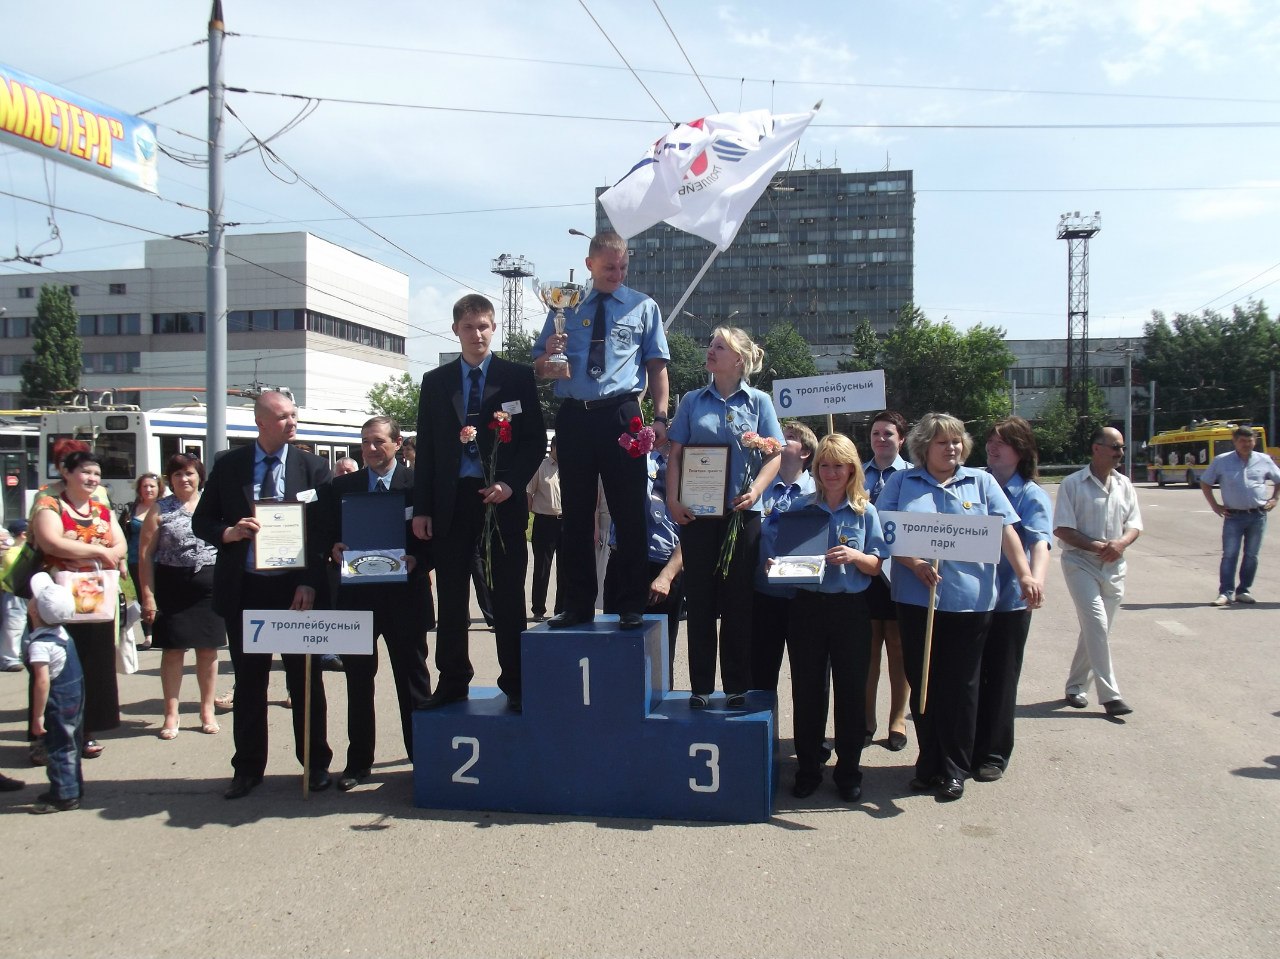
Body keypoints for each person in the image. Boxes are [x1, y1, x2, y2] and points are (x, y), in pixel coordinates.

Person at [877, 412, 1042, 801]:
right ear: (924, 447)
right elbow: (885, 534)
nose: (951, 448)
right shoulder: (902, 482)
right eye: (942, 442)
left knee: (962, 688)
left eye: (955, 441)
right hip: (917, 600)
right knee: (925, 685)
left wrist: (1025, 574)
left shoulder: (981, 482)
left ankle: (955, 767)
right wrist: (914, 563)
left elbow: (1006, 531)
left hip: (971, 602)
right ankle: (928, 761)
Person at [192, 390, 335, 799]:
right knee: (250, 683)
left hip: (296, 593)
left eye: (294, 415)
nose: (293, 422)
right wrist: (229, 532)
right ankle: (249, 767)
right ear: (261, 422)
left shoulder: (312, 468)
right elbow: (203, 520)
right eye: (284, 416)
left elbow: (322, 531)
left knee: (305, 682)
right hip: (247, 590)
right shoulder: (230, 465)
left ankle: (315, 765)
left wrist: (309, 580)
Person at [532, 231, 670, 630]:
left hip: (622, 413)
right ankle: (576, 603)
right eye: (610, 266)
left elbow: (657, 367)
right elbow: (540, 366)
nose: (617, 273)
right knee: (575, 512)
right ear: (590, 264)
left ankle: (629, 603)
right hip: (575, 414)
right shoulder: (565, 305)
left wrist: (659, 418)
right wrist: (549, 355)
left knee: (629, 510)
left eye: (623, 266)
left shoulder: (643, 307)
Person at [413, 294, 544, 710]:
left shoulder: (517, 377)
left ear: (494, 329)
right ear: (456, 330)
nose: (478, 334)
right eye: (469, 327)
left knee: (507, 595)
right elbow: (428, 450)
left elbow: (534, 441)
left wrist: (510, 484)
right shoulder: (436, 383)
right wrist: (422, 509)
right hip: (452, 504)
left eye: (484, 325)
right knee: (452, 598)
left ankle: (518, 683)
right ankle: (453, 680)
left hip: (500, 502)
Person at [667, 327, 782, 708]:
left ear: (739, 359)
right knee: (699, 601)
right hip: (697, 515)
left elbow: (775, 454)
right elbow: (676, 454)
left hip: (742, 515)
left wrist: (756, 491)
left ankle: (736, 686)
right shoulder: (691, 401)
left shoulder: (760, 402)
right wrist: (672, 499)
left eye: (719, 347)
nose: (710, 351)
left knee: (737, 603)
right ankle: (699, 686)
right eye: (711, 344)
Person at [319, 415, 434, 791]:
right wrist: (332, 548)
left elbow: (437, 537)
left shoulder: (418, 485)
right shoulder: (342, 487)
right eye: (365, 442)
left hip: (406, 596)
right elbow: (325, 533)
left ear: (398, 443)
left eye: (378, 442)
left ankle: (424, 759)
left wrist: (420, 559)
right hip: (357, 598)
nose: (370, 449)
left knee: (412, 680)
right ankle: (358, 763)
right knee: (357, 682)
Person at [774, 434, 887, 801]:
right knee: (808, 691)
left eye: (839, 465)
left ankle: (848, 771)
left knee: (851, 691)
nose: (831, 472)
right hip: (807, 607)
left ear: (852, 468)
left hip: (850, 610)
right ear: (816, 468)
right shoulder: (802, 507)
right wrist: (778, 564)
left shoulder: (864, 511)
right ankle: (808, 768)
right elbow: (785, 556)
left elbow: (875, 565)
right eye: (825, 465)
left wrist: (856, 557)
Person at [30, 450, 128, 761]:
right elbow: (51, 542)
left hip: (96, 598)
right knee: (54, 666)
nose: (92, 479)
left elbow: (121, 544)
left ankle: (86, 732)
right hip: (57, 599)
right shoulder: (49, 504)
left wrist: (107, 553)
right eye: (86, 472)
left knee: (94, 665)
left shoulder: (101, 508)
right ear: (67, 472)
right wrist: (100, 553)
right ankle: (45, 736)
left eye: (96, 474)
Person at [973, 417, 1051, 782]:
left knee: (1001, 679)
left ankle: (994, 753)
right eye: (990, 439)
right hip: (973, 598)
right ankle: (970, 745)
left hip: (1009, 600)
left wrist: (1034, 580)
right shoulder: (975, 483)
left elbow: (1039, 541)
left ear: (1020, 450)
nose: (992, 446)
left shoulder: (1030, 493)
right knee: (971, 678)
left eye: (1002, 441)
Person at [1053, 426, 1142, 718]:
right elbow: (1063, 529)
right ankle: (1110, 695)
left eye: (1122, 448)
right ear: (1096, 449)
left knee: (1096, 630)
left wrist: (1120, 544)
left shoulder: (1124, 484)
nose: (1120, 453)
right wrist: (1098, 546)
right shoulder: (1073, 483)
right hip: (1080, 563)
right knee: (1096, 623)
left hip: (1114, 565)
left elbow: (1134, 525)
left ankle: (1076, 686)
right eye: (1115, 447)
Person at [138, 454, 226, 740]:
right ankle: (171, 714)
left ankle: (206, 710)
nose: (184, 479)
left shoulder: (214, 506)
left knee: (208, 651)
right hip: (173, 587)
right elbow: (144, 556)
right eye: (177, 475)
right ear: (170, 479)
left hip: (209, 588)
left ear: (199, 475)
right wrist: (148, 597)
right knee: (173, 651)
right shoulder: (160, 509)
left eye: (189, 473)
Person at [603, 436, 684, 686]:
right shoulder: (628, 458)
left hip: (661, 567)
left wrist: (668, 575)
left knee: (658, 657)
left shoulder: (685, 470)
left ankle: (659, 716)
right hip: (622, 563)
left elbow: (694, 530)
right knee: (615, 650)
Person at [751, 419, 817, 693]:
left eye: (788, 437)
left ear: (805, 452)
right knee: (760, 674)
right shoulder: (759, 486)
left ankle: (808, 736)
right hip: (763, 596)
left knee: (808, 675)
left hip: (806, 599)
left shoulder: (819, 491)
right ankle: (762, 734)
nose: (778, 439)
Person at [862, 410, 913, 752]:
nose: (882, 439)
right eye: (877, 433)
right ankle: (865, 719)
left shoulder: (913, 477)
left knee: (898, 648)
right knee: (867, 651)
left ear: (902, 439)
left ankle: (898, 719)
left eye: (889, 434)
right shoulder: (856, 473)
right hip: (864, 572)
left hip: (902, 572)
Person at [1199, 425, 1280, 606]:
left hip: (1257, 516)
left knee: (1251, 555)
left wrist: (1274, 498)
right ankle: (1225, 593)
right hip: (1233, 516)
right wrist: (1215, 506)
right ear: (1234, 442)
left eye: (1249, 440)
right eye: (1242, 441)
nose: (1246, 444)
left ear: (1255, 441)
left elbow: (1278, 479)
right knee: (1230, 554)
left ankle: (1243, 591)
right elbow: (1205, 483)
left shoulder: (1264, 460)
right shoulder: (1222, 461)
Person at [24, 572, 83, 813]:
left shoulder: (40, 645)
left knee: (57, 746)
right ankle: (74, 785)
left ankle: (63, 795)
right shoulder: (61, 633)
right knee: (72, 743)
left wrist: (37, 716)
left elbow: (42, 682)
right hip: (76, 698)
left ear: (35, 611)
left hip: (58, 702)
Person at [120, 473, 162, 650]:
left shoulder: (164, 508)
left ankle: (164, 634)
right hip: (137, 561)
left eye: (152, 486)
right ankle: (148, 636)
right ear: (139, 489)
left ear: (159, 488)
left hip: (162, 560)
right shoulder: (131, 510)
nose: (148, 489)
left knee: (162, 597)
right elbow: (122, 535)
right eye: (145, 486)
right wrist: (121, 560)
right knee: (143, 597)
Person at [526, 435, 563, 621]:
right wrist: (534, 511)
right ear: (553, 447)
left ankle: (561, 610)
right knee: (542, 568)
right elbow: (528, 492)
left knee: (565, 568)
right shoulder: (540, 466)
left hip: (565, 523)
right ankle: (538, 609)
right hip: (544, 522)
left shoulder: (569, 466)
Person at [1, 519, 31, 672]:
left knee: (27, 626)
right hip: (15, 594)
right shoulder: (12, 552)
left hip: (27, 593)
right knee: (14, 626)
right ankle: (9, 658)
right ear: (24, 534)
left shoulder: (26, 550)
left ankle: (25, 654)